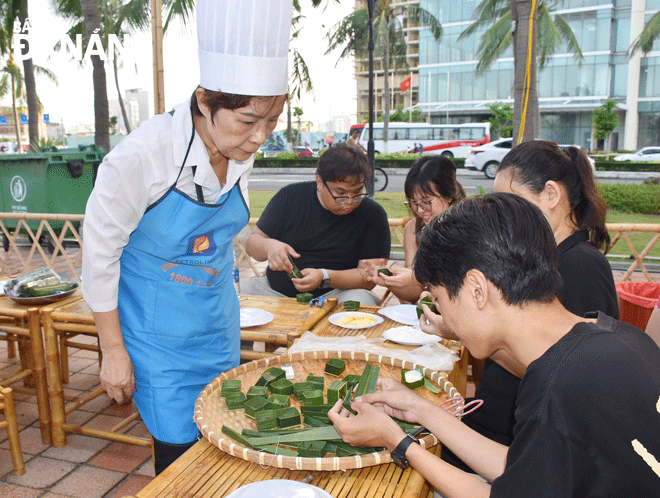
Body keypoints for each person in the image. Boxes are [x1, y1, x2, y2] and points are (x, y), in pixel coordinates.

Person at [329, 193, 660, 498]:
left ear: (477, 289)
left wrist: (398, 442)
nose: (441, 311)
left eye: (440, 297)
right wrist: (420, 409)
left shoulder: (558, 387)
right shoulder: (617, 339)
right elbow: (521, 468)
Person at [81, 0, 292, 474]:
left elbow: (227, 231)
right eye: (247, 122)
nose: (260, 138)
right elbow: (98, 257)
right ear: (203, 101)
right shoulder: (142, 158)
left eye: (271, 122)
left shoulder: (241, 151)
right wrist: (112, 351)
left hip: (217, 326)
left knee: (226, 441)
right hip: (159, 341)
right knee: (180, 460)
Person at [421, 140, 620, 467]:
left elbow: (567, 377)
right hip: (496, 423)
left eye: (512, 201)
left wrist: (473, 335)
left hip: (516, 443)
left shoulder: (582, 264)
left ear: (552, 195)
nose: (504, 213)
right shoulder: (541, 258)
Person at [242, 142, 391, 305]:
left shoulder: (373, 214)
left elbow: (369, 278)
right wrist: (268, 246)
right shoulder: (290, 197)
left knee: (361, 302)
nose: (349, 202)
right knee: (229, 294)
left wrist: (325, 277)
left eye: (357, 193)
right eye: (340, 193)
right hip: (273, 292)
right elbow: (252, 244)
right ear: (319, 181)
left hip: (338, 295)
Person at [367, 155, 465, 303]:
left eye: (426, 202)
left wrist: (419, 281)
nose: (419, 210)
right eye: (413, 202)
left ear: (449, 195)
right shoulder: (413, 229)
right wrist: (392, 282)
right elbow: (411, 297)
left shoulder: (469, 229)